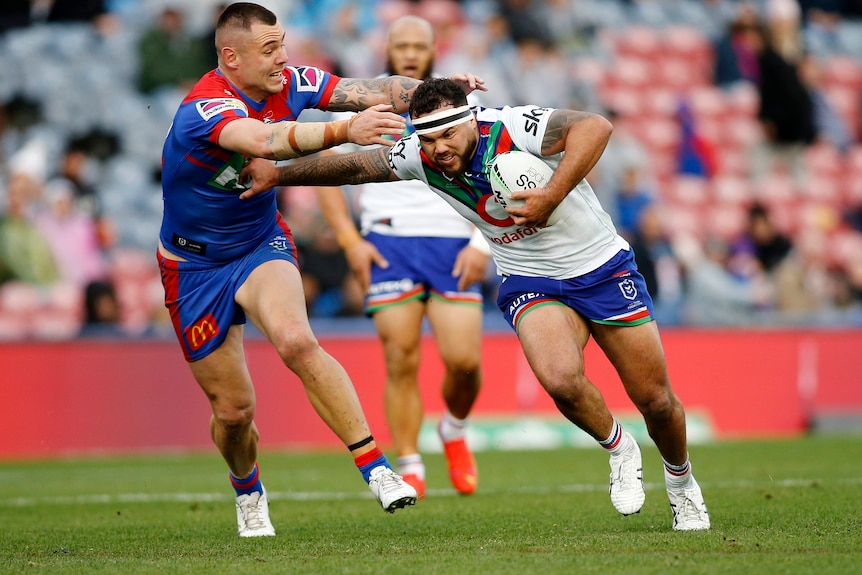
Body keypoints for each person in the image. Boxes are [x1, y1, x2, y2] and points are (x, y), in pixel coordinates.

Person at [242, 78, 711, 531]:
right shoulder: (420, 157)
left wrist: (550, 196)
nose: (439, 147)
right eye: (427, 138)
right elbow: (354, 168)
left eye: (448, 133)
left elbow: (596, 127)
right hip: (530, 278)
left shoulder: (513, 127)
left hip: (601, 266)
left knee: (655, 400)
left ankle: (681, 481)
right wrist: (278, 174)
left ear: (470, 119)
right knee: (561, 380)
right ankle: (620, 447)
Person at [156, 2, 485, 538]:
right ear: (230, 57)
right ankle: (248, 492)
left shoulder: (293, 79)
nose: (283, 57)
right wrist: (344, 132)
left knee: (296, 341)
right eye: (269, 50)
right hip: (192, 266)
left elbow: (374, 89)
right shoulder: (204, 109)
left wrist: (439, 96)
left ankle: (378, 469)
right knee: (235, 413)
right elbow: (263, 142)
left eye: (282, 43)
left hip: (258, 244)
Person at [317, 15, 490, 499]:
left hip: (453, 242)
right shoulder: (365, 102)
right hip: (390, 242)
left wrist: (482, 243)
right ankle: (410, 460)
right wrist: (351, 241)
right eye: (402, 45)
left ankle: (454, 430)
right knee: (400, 358)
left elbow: (495, 165)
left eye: (420, 45)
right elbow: (328, 173)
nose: (411, 53)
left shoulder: (461, 103)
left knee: (463, 362)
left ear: (435, 48)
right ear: (388, 49)